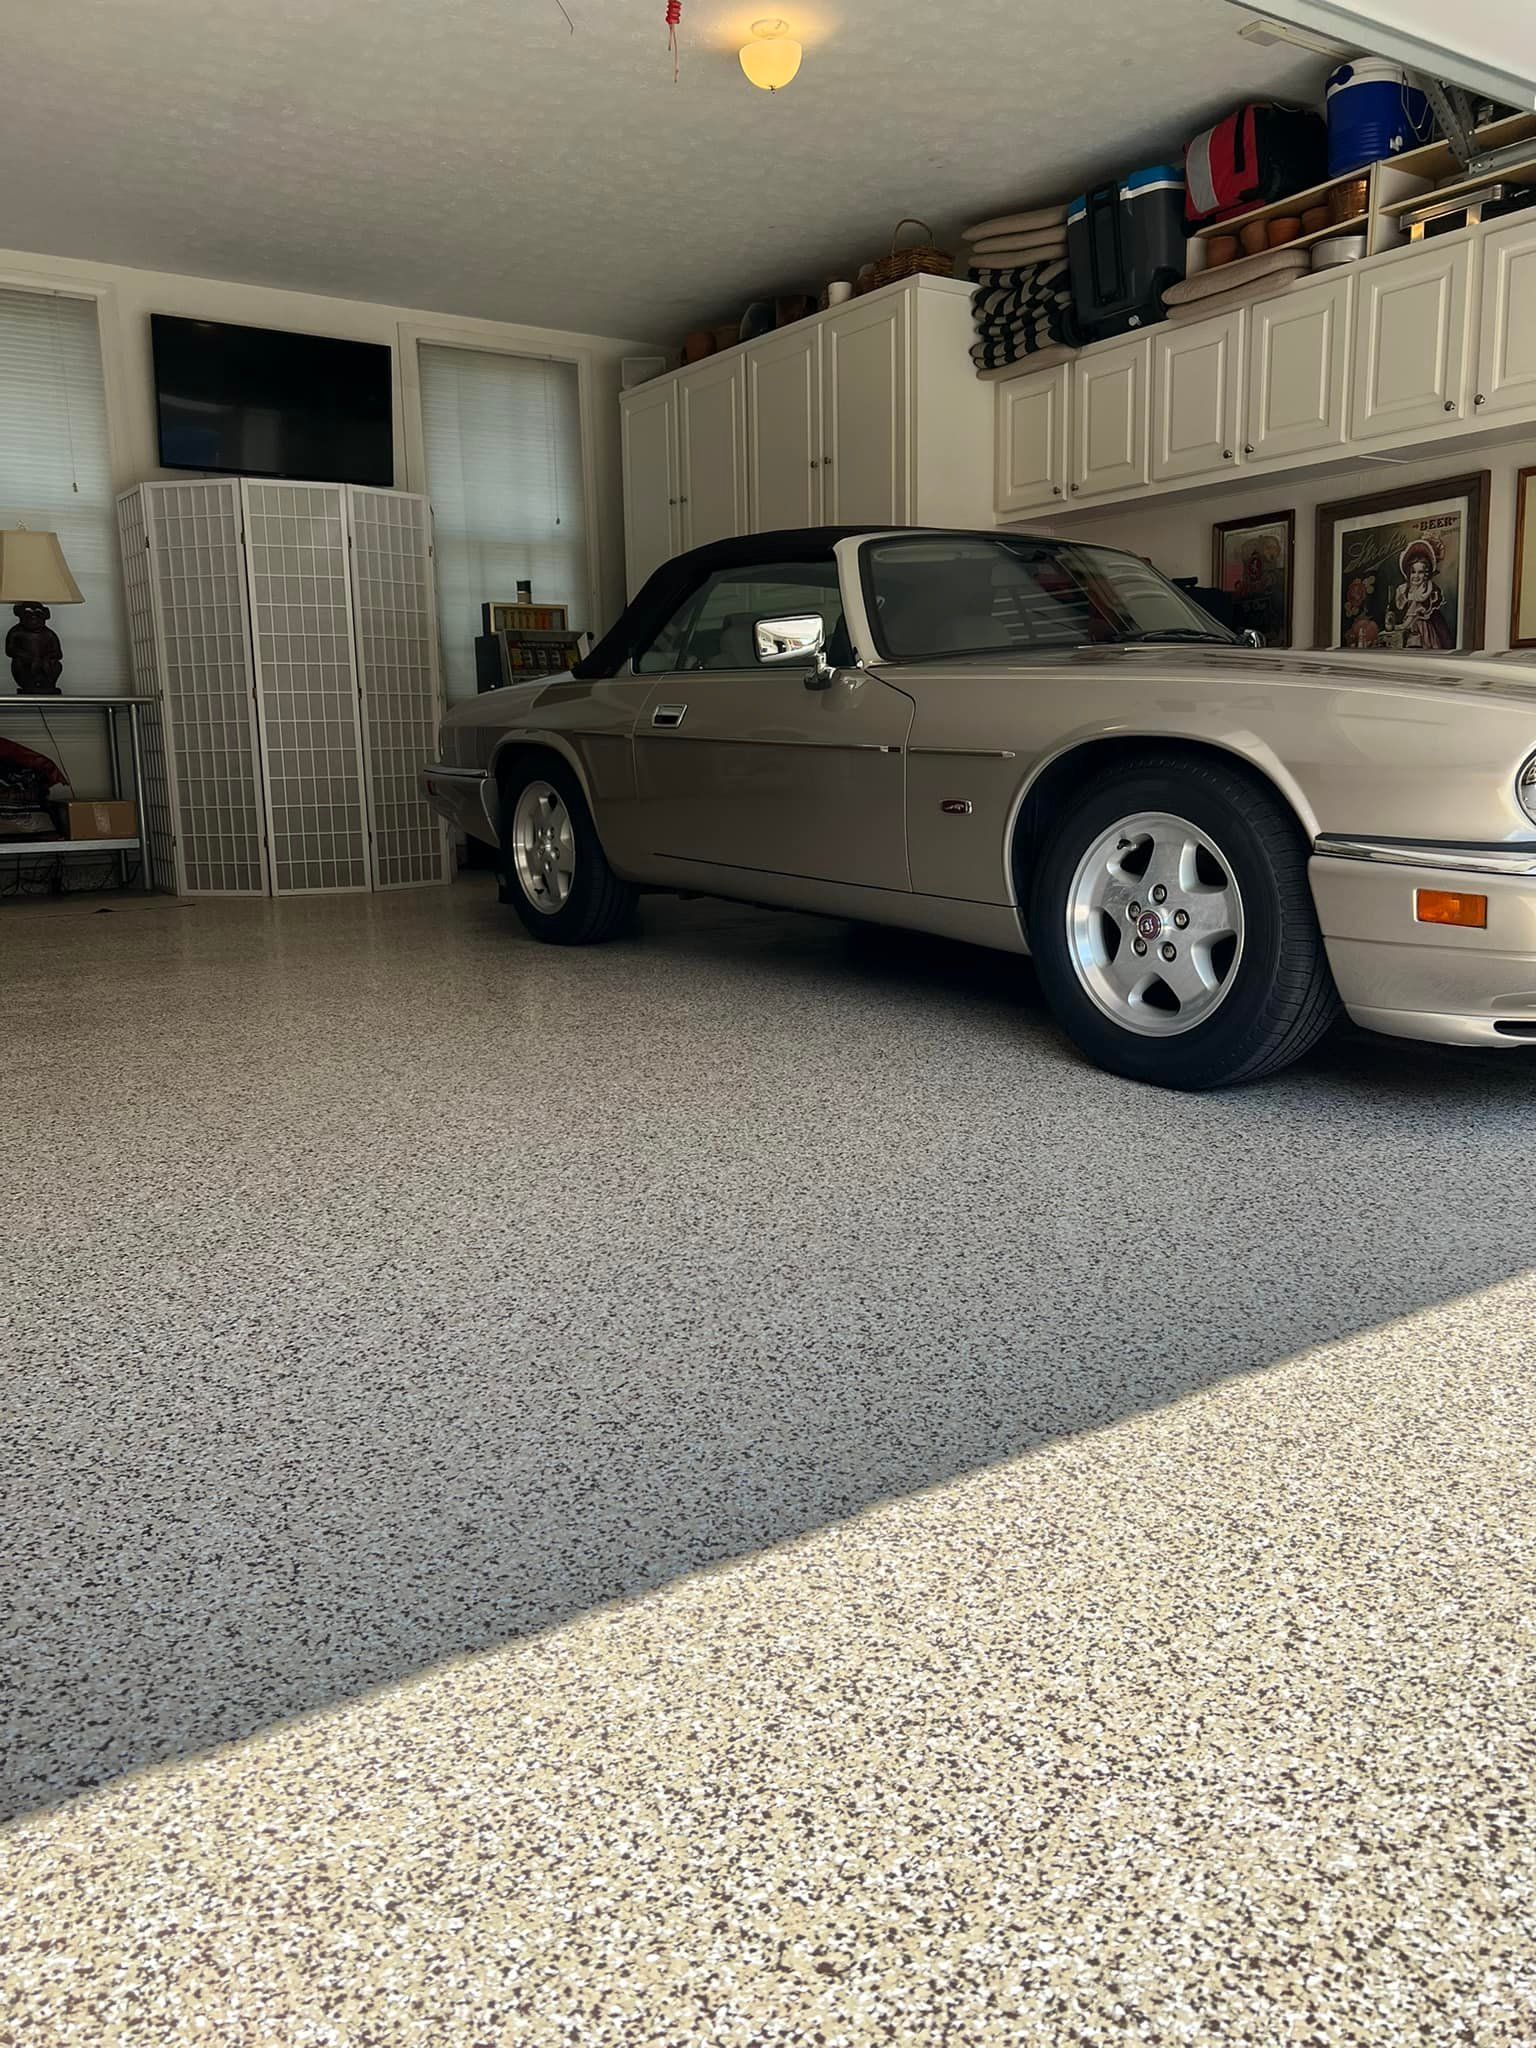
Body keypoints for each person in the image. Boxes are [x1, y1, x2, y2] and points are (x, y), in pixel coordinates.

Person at [1389, 540, 1453, 651]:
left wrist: (1401, 626)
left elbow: (1413, 616)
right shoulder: (1403, 589)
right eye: (1413, 572)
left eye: (1421, 572)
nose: (1416, 576)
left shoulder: (1427, 590)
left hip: (1423, 629)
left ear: (1426, 574)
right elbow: (1399, 609)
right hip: (1407, 630)